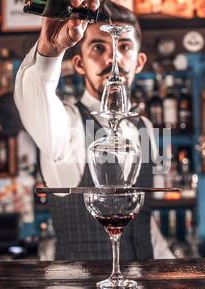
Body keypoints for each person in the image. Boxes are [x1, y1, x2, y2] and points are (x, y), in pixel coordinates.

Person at [14, 0, 174, 261]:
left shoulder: (144, 127)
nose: (113, 58)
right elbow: (33, 103)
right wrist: (49, 52)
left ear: (140, 61)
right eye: (98, 47)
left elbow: (144, 223)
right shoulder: (69, 124)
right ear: (79, 63)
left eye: (124, 47)